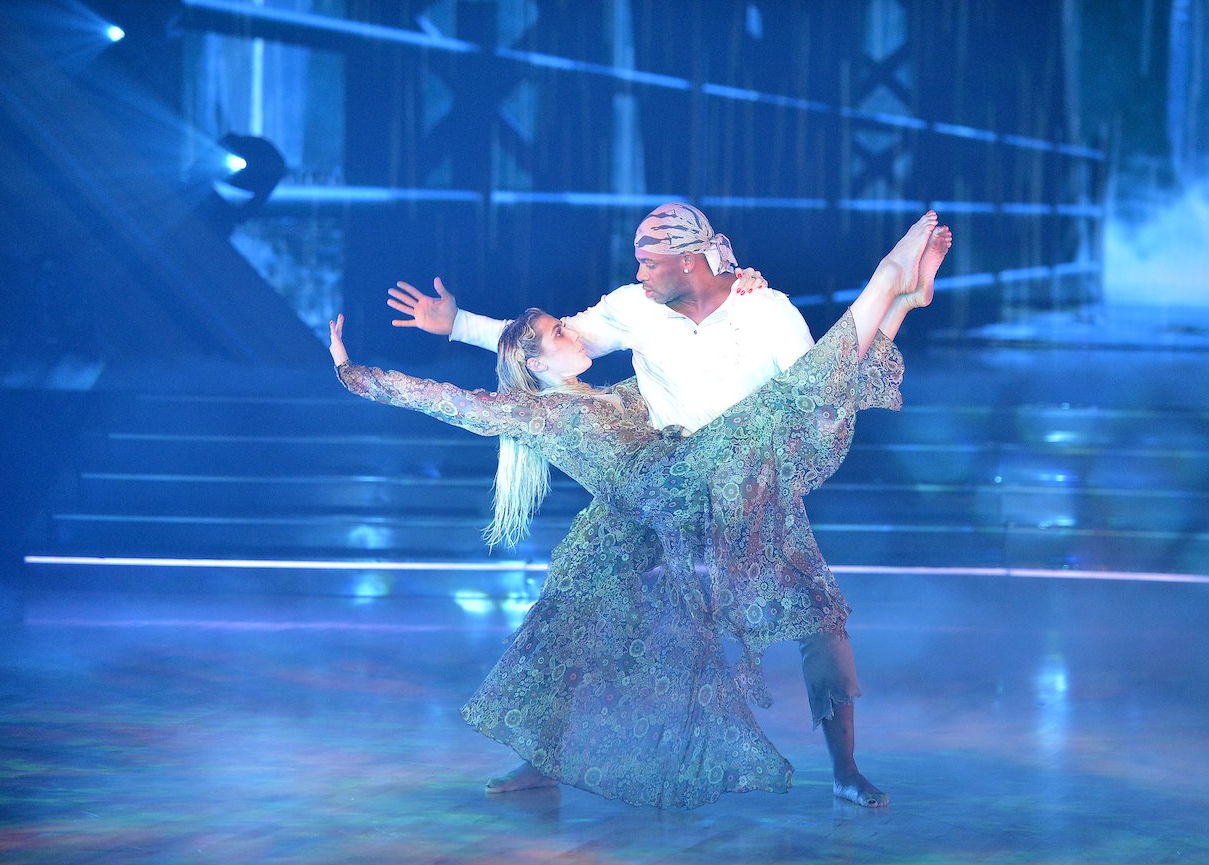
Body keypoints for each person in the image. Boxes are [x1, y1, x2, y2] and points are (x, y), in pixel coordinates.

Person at [330, 214, 951, 809]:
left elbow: (817, 391)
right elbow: (533, 347)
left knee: (819, 617)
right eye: (637, 261)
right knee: (571, 605)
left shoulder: (767, 311)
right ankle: (543, 758)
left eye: (649, 260)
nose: (638, 272)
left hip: (745, 480)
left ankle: (845, 770)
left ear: (688, 259)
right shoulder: (628, 312)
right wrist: (457, 324)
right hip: (657, 489)